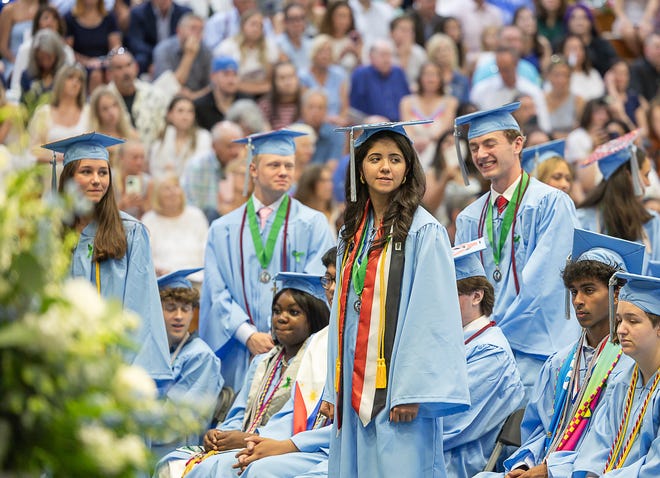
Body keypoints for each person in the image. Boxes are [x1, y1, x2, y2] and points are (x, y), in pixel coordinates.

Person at [325, 121, 470, 476]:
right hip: (352, 385)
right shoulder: (351, 234)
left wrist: (411, 390)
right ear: (360, 170)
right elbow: (339, 316)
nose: (385, 167)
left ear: (408, 171)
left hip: (397, 390)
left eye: (395, 159)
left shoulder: (425, 231)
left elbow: (432, 315)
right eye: (374, 158)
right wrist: (333, 387)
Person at [478, 229, 644, 478]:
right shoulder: (559, 363)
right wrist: (525, 465)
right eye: (574, 291)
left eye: (589, 290)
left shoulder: (631, 365)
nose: (578, 300)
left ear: (616, 294)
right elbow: (539, 431)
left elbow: (615, 443)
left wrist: (551, 471)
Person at [454, 102, 580, 396]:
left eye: (489, 143)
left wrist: (494, 330)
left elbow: (545, 283)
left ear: (518, 144)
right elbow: (465, 288)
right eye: (474, 147)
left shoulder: (550, 204)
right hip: (484, 352)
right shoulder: (469, 218)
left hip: (537, 352)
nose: (481, 154)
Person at [157, 272, 330, 478]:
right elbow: (239, 412)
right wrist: (219, 434)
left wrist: (247, 439)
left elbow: (296, 424)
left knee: (219, 468)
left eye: (293, 312)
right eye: (276, 311)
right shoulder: (262, 362)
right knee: (170, 462)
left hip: (272, 446)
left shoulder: (316, 367)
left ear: (313, 319)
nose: (281, 318)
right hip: (243, 442)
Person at [201, 129, 335, 391]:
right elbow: (217, 293)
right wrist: (248, 335)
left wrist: (286, 332)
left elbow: (317, 287)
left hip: (297, 351)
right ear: (253, 169)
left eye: (289, 165)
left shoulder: (313, 224)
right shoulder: (222, 229)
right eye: (274, 165)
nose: (283, 171)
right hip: (240, 350)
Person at [43, 132, 172, 382]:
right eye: (86, 172)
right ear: (68, 177)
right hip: (59, 362)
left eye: (103, 173)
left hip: (112, 364)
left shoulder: (131, 232)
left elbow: (141, 307)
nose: (97, 180)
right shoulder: (48, 231)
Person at [562, 272, 660, 476]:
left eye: (632, 321)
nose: (621, 330)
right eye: (619, 320)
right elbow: (597, 448)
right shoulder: (622, 382)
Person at [445, 240, 524, 478]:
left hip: (457, 461)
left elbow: (451, 424)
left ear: (476, 296)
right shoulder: (457, 340)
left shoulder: (491, 353)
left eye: (449, 292)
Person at [153, 268, 224, 458]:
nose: (179, 316)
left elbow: (177, 423)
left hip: (173, 453)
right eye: (170, 307)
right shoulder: (153, 352)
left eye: (185, 309)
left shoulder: (200, 357)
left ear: (193, 312)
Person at [577, 133, 660, 271]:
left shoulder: (652, 222)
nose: (648, 183)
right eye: (645, 175)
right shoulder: (583, 221)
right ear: (629, 176)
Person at [142, 175, 209, 280]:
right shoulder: (149, 220)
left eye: (176, 186)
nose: (173, 192)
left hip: (197, 279)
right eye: (167, 188)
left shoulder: (196, 215)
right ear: (157, 195)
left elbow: (207, 249)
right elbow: (144, 257)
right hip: (165, 280)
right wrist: (158, 269)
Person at [180, 120, 244, 221]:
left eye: (238, 145)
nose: (235, 151)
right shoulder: (197, 166)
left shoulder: (245, 165)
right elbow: (192, 206)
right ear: (214, 146)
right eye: (229, 146)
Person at [64, 0, 121, 93]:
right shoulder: (70, 18)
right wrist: (87, 62)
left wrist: (108, 60)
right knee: (96, 74)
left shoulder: (109, 17)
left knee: (113, 70)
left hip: (105, 61)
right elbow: (67, 51)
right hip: (79, 64)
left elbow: (116, 46)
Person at [149, 95, 212, 178]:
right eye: (180, 111)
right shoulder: (160, 141)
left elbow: (202, 167)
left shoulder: (203, 137)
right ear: (169, 114)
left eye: (190, 111)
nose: (185, 116)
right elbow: (155, 170)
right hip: (166, 187)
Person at [152, 13, 212, 99]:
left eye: (201, 30)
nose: (197, 33)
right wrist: (189, 55)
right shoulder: (163, 50)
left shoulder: (207, 52)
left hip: (198, 100)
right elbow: (166, 87)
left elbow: (212, 86)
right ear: (179, 31)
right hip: (169, 99)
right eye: (193, 28)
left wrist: (193, 96)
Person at [349, 40, 409, 122]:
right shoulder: (361, 75)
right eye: (383, 55)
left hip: (400, 125)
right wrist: (367, 119)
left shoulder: (398, 73)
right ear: (371, 57)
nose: (387, 59)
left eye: (389, 55)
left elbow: (408, 100)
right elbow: (352, 110)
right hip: (372, 127)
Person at [126, 0, 192, 75]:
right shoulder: (138, 13)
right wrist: (157, 59)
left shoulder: (185, 12)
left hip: (176, 53)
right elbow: (136, 43)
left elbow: (188, 38)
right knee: (140, 59)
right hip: (149, 56)